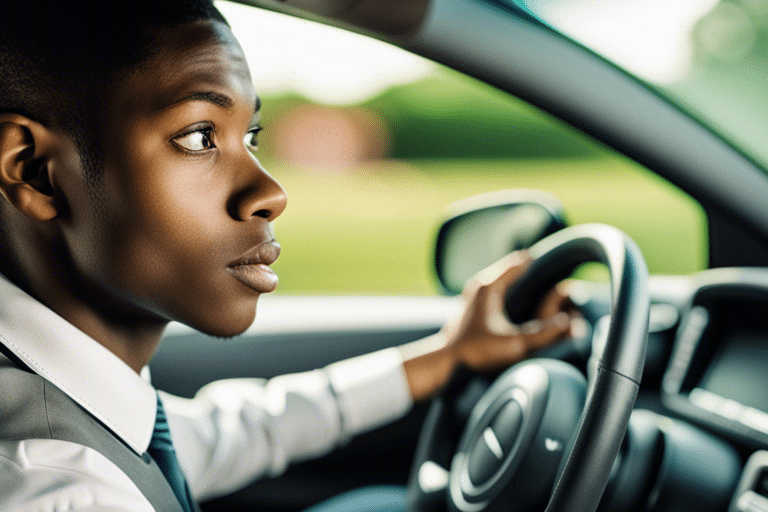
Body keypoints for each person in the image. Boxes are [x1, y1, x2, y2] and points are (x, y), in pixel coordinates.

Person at [0, 1, 576, 510]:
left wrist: (448, 355)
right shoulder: (65, 490)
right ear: (35, 172)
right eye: (200, 136)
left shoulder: (89, 404)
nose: (270, 193)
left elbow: (235, 433)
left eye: (250, 136)